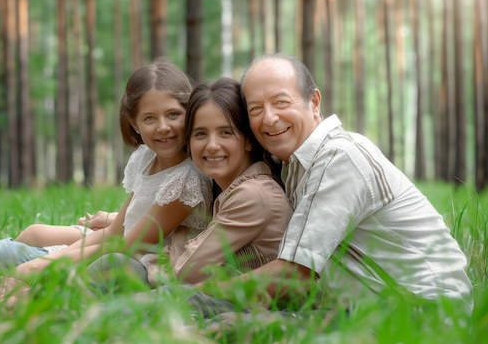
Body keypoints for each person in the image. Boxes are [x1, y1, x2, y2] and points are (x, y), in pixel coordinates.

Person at [0, 60, 212, 309]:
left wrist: (47, 262)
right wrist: (60, 254)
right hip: (113, 248)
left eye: (173, 114)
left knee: (13, 267)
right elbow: (116, 232)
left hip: (132, 266)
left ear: (190, 111)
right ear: (134, 124)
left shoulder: (186, 179)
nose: (162, 127)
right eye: (149, 119)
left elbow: (126, 245)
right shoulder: (145, 159)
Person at [188, 53, 473, 316]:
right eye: (256, 109)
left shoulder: (341, 156)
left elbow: (295, 274)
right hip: (359, 310)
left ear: (314, 102)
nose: (270, 117)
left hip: (423, 311)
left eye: (281, 102)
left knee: (222, 322)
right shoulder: (295, 167)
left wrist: (194, 295)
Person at [86, 77, 293, 293]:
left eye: (226, 132)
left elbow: (187, 270)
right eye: (201, 134)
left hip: (239, 307)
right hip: (207, 293)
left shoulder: (253, 194)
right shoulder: (229, 190)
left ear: (249, 140)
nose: (212, 146)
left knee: (117, 267)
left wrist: (178, 237)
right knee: (116, 265)